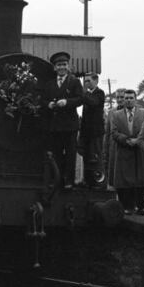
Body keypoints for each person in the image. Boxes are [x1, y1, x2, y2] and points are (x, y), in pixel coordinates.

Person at [44, 52, 84, 189]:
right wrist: (48, 104)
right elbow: (43, 100)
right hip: (55, 125)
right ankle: (57, 180)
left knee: (70, 154)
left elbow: (80, 99)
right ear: (55, 68)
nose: (62, 67)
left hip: (70, 125)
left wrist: (66, 102)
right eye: (59, 65)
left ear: (68, 66)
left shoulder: (74, 82)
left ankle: (69, 181)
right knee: (56, 153)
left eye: (64, 65)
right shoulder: (49, 84)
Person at [110, 89, 144, 214]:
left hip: (139, 150)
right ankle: (127, 206)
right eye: (126, 98)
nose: (128, 100)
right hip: (123, 150)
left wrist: (138, 140)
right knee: (124, 180)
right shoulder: (116, 114)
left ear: (135, 99)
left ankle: (141, 206)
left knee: (140, 179)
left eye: (131, 98)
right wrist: (126, 140)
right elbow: (114, 132)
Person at [79, 73, 105, 187]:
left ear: (96, 81)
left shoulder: (99, 93)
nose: (86, 83)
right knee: (86, 156)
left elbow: (94, 102)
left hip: (96, 132)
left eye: (88, 81)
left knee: (96, 156)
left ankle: (98, 181)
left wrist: (81, 92)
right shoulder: (87, 94)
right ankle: (88, 180)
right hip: (86, 132)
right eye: (85, 81)